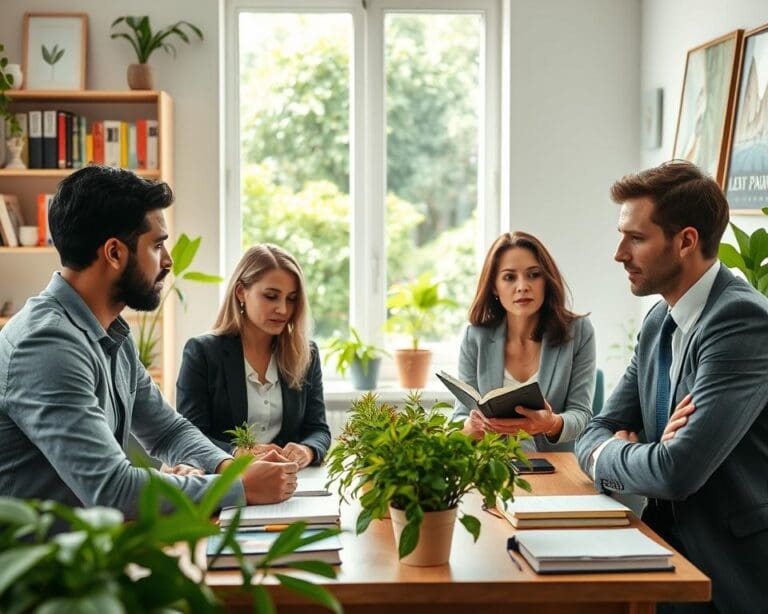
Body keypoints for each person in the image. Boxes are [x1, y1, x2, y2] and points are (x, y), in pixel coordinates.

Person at [0, 166, 298, 517]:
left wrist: (232, 469)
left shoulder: (110, 332)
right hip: (47, 551)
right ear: (114, 253)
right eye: (157, 245)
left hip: (97, 542)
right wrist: (240, 488)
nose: (168, 261)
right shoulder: (47, 346)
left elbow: (167, 431)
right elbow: (111, 489)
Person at [575, 160, 768, 613]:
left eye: (636, 238)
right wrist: (629, 450)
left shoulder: (741, 321)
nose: (619, 254)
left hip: (729, 571)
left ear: (686, 242)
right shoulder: (659, 320)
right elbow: (595, 430)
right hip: (661, 551)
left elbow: (676, 472)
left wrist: (617, 452)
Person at [176, 244, 331, 468]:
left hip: (290, 480)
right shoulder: (202, 353)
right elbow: (190, 436)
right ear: (241, 292)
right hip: (226, 481)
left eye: (291, 298)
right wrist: (237, 453)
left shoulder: (306, 354)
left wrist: (307, 450)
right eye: (271, 296)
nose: (283, 309)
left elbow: (318, 429)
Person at [452, 231, 596, 452]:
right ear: (494, 286)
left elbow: (582, 415)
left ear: (546, 280)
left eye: (534, 275)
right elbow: (460, 416)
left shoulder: (579, 332)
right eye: (509, 277)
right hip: (493, 464)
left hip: (557, 466)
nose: (522, 286)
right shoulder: (475, 337)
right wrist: (471, 427)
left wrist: (552, 424)